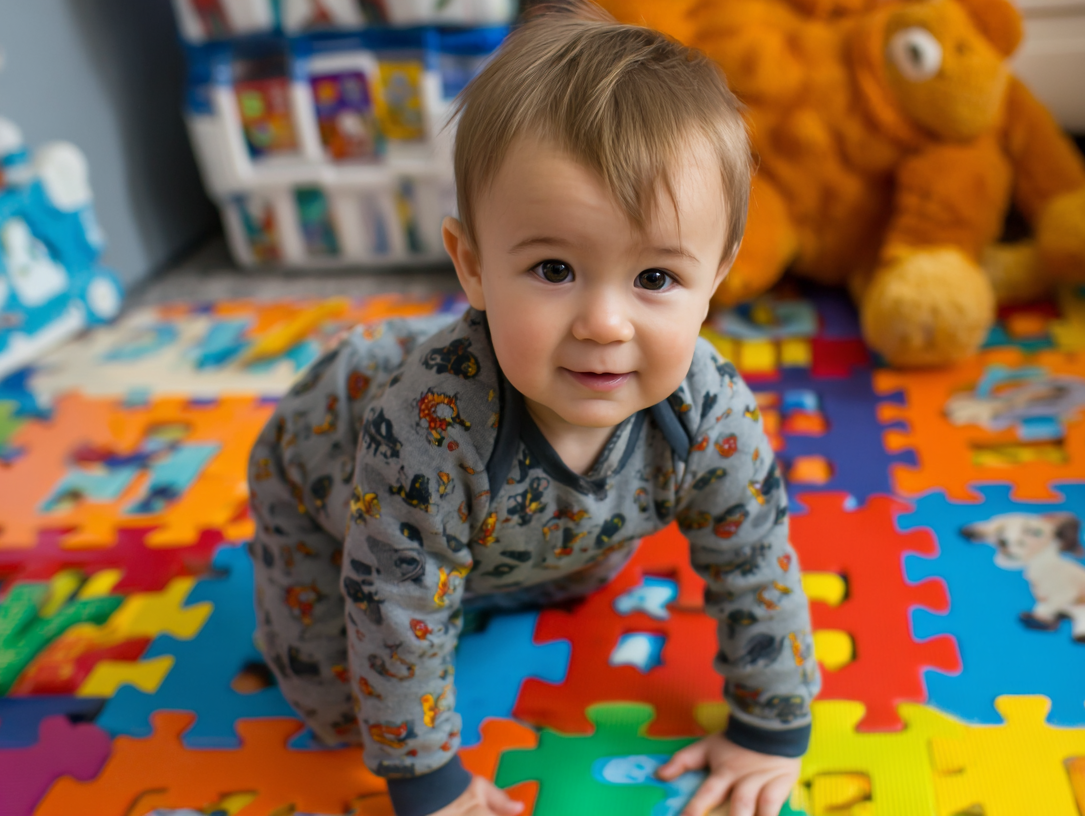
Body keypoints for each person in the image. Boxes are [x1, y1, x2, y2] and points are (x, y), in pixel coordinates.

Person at [247, 4, 820, 815]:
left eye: (655, 278)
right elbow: (395, 601)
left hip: (525, 523)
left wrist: (771, 727)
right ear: (473, 266)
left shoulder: (710, 407)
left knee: (570, 572)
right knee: (336, 711)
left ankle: (499, 567)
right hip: (331, 481)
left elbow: (757, 555)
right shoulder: (426, 425)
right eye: (554, 269)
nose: (605, 324)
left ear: (719, 272)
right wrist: (426, 779)